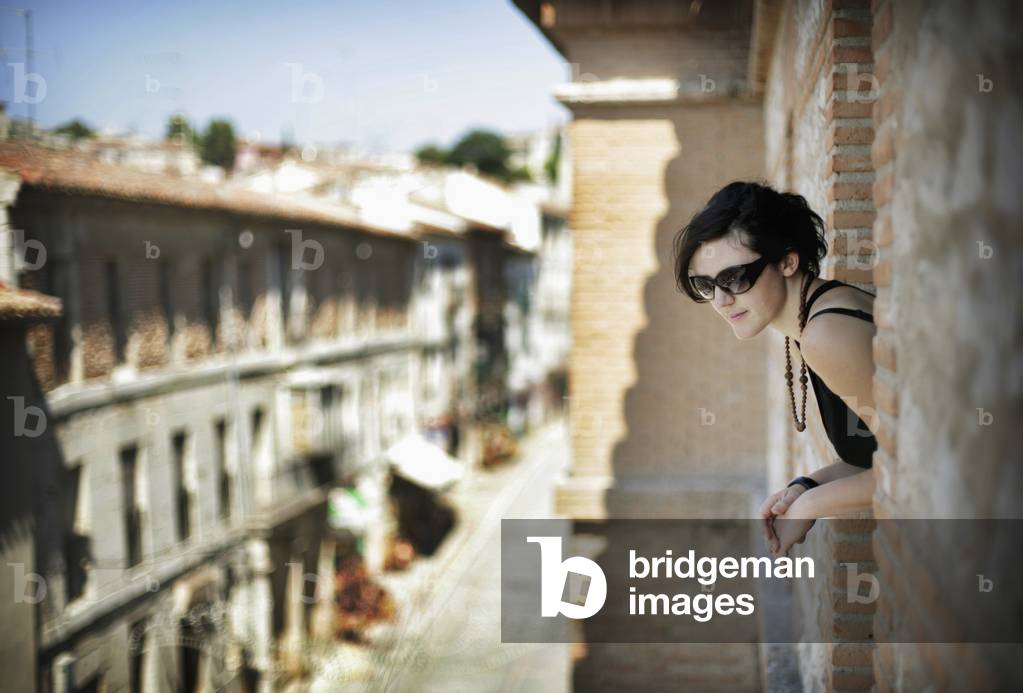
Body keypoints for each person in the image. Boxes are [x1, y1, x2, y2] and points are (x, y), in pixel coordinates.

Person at [672, 181, 878, 556]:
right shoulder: (814, 318)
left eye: (735, 278)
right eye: (707, 284)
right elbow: (873, 456)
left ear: (787, 260)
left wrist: (810, 508)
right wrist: (803, 488)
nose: (720, 300)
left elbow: (912, 467)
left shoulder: (826, 334)